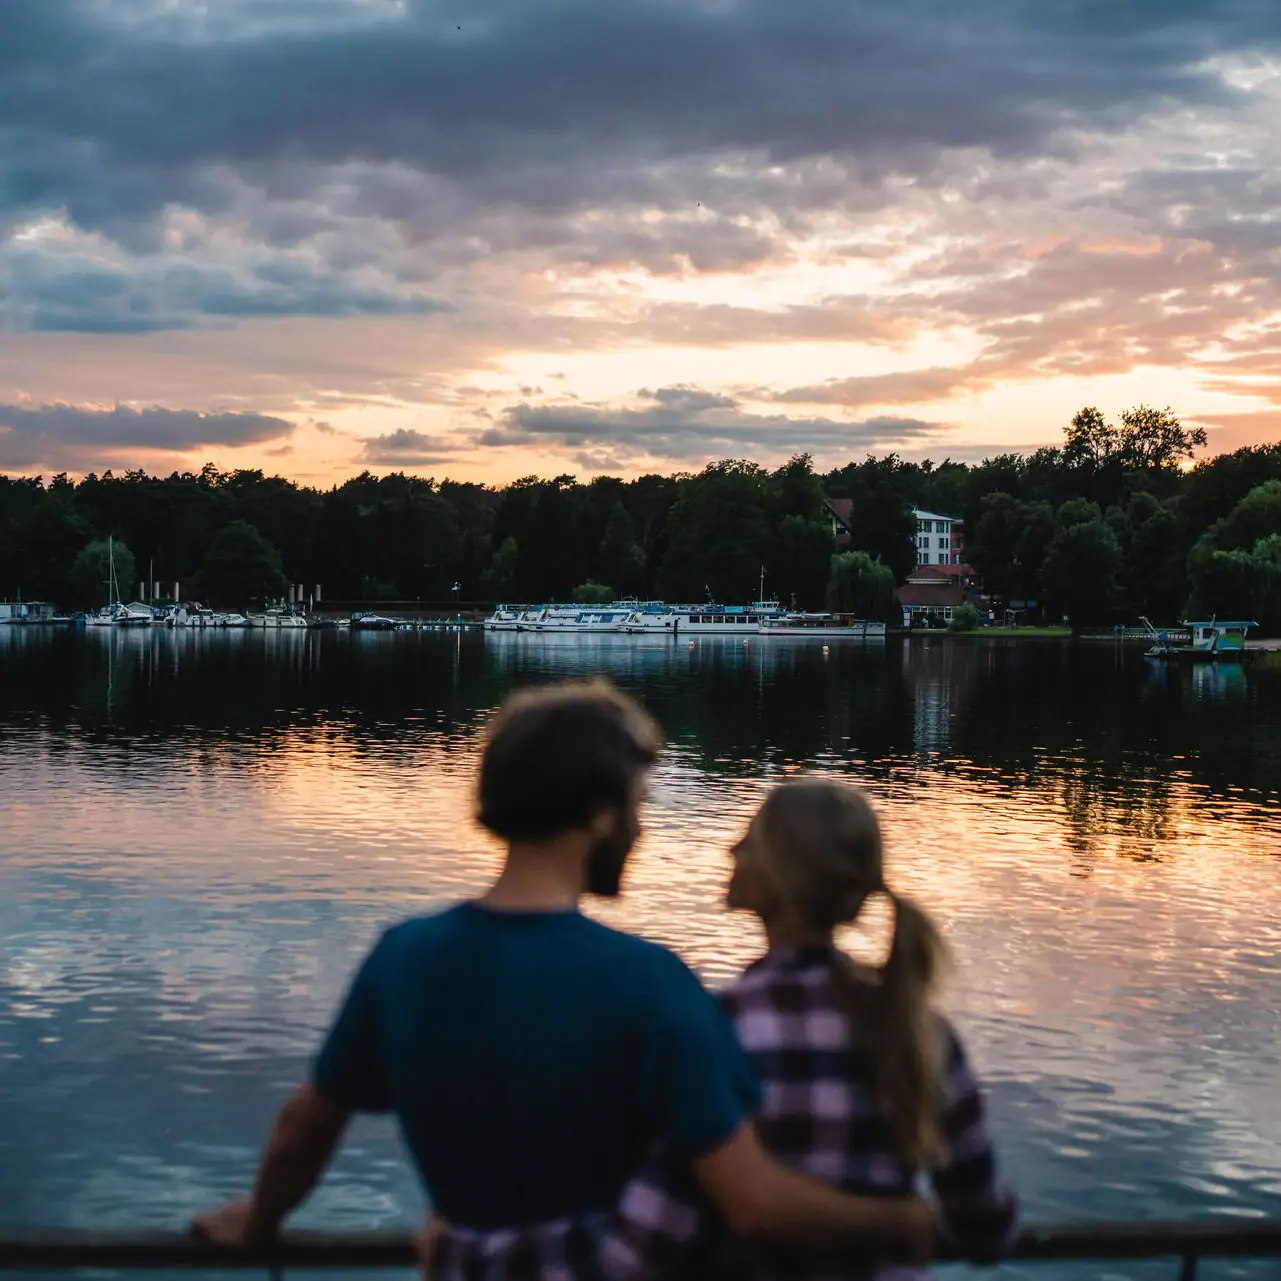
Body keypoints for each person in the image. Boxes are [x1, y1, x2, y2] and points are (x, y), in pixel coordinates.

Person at [192, 682, 931, 1272]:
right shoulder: (648, 984)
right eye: (638, 806)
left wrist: (258, 1221)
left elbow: (303, 1129)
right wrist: (898, 1218)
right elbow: (753, 1205)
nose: (643, 830)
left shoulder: (404, 958)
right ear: (597, 815)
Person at [431, 778, 1017, 1281]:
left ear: (778, 874)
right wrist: (901, 1221)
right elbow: (986, 1228)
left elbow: (640, 1248)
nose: (732, 848)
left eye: (751, 836)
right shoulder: (923, 1032)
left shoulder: (717, 1032)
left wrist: (468, 1252)